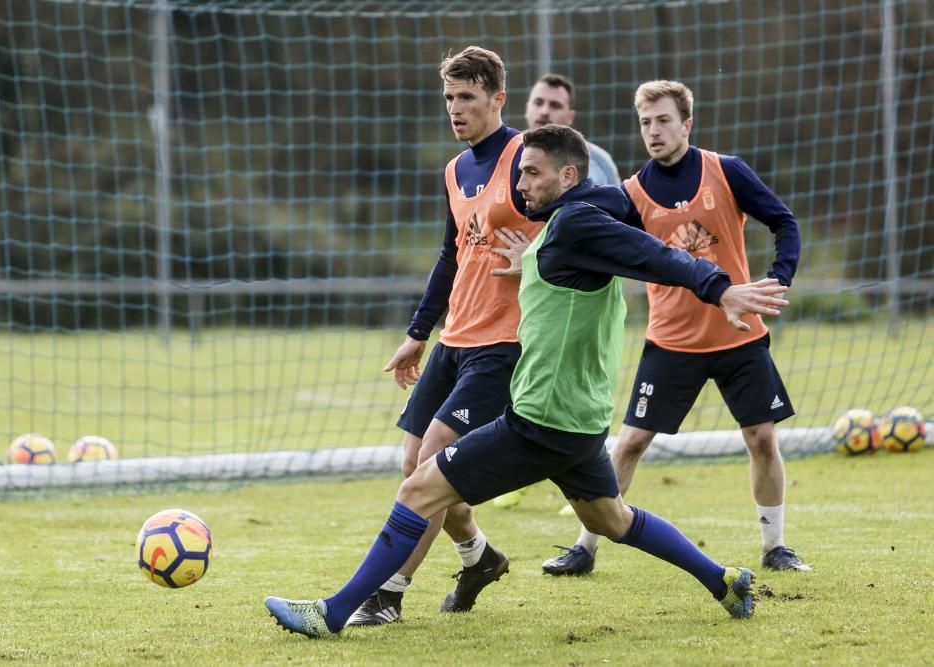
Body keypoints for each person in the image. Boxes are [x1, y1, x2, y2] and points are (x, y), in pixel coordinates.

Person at [263, 123, 792, 638]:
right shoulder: (576, 221)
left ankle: (333, 613)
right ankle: (723, 580)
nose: (521, 186)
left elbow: (659, 256)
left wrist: (718, 287)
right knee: (613, 519)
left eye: (533, 174)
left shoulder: (576, 224)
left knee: (418, 488)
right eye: (519, 175)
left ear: (567, 175)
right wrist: (530, 261)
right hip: (580, 421)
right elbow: (600, 252)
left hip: (540, 419)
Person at [541, 79, 808, 579]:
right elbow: (579, 231)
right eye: (645, 122)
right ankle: (584, 547)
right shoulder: (630, 195)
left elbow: (784, 222)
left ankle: (776, 546)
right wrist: (532, 253)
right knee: (630, 444)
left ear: (687, 123)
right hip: (671, 344)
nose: (653, 131)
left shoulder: (726, 172)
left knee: (763, 439)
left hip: (738, 335)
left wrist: (778, 280)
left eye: (663, 120)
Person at [343, 46, 539, 627]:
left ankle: (388, 595)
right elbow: (449, 257)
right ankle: (479, 558)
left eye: (468, 98)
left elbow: (581, 219)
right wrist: (418, 333)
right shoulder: (455, 169)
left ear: (497, 99)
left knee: (432, 464)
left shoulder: (527, 158)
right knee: (413, 465)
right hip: (455, 338)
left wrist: (541, 253)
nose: (456, 108)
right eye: (450, 97)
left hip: (504, 343)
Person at [492, 73, 621, 510]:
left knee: (564, 385)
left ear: (570, 117)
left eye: (554, 105)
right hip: (516, 292)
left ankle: (571, 468)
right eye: (538, 102)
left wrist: (544, 254)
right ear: (525, 108)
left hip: (569, 293)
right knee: (522, 379)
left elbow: (612, 227)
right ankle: (531, 472)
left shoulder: (596, 165)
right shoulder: (507, 156)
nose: (544, 110)